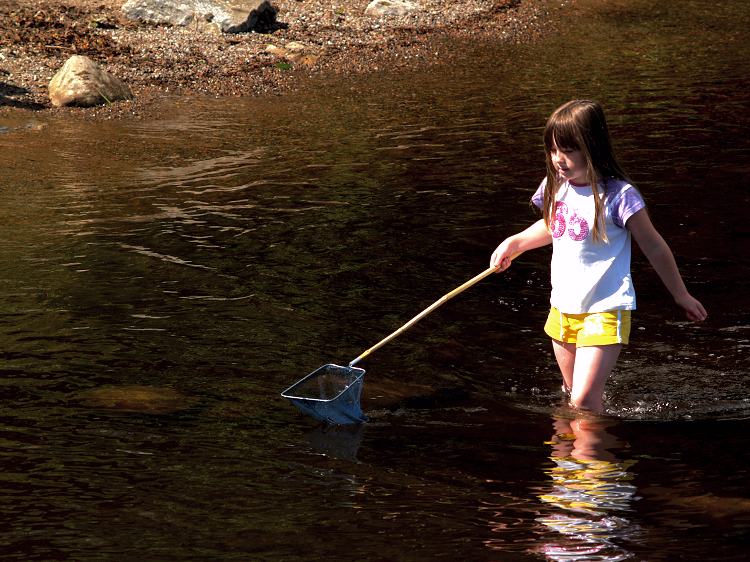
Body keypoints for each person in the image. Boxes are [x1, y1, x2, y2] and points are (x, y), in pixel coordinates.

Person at [490, 99, 707, 412]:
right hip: (563, 306)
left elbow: (654, 245)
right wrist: (516, 243)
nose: (558, 160)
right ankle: (566, 462)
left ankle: (596, 460)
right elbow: (553, 226)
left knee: (584, 401)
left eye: (568, 150)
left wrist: (681, 294)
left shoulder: (619, 196)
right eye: (553, 151)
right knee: (570, 394)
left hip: (605, 307)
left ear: (592, 147)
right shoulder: (556, 186)